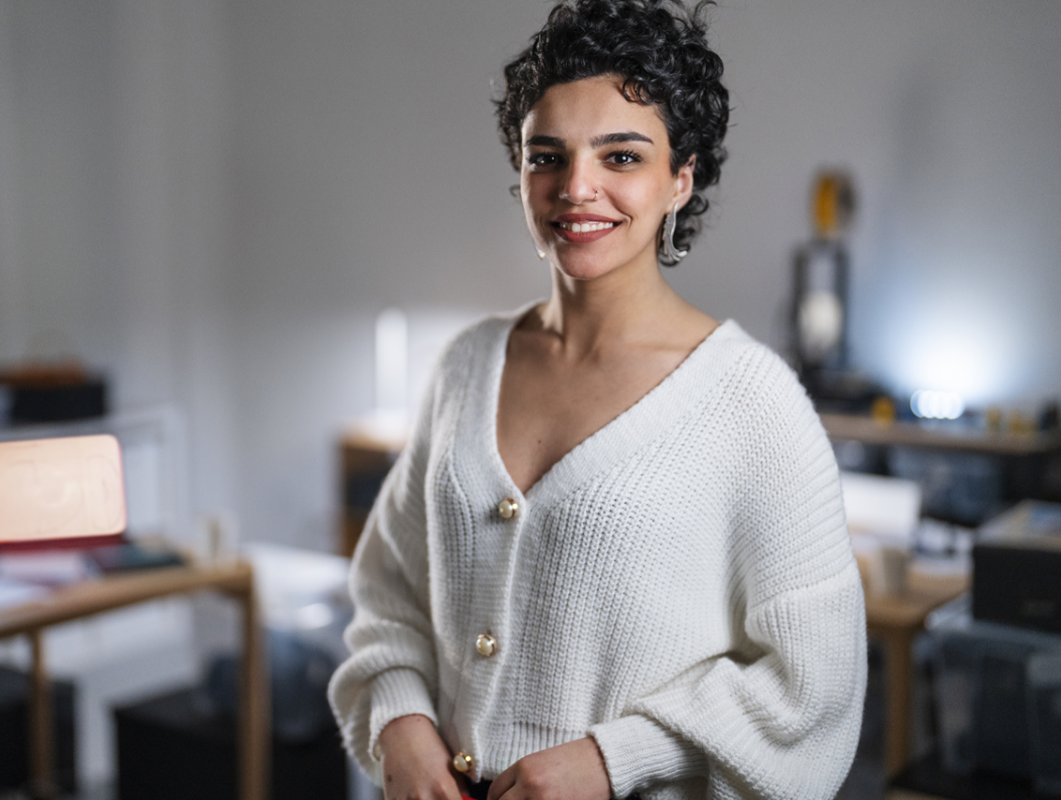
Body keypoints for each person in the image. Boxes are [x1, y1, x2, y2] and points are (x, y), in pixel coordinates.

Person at [329, 1, 867, 798]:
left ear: (680, 178)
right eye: (548, 155)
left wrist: (619, 759)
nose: (576, 188)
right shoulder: (466, 365)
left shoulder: (754, 404)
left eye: (621, 157)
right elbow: (389, 597)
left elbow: (815, 684)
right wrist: (399, 720)